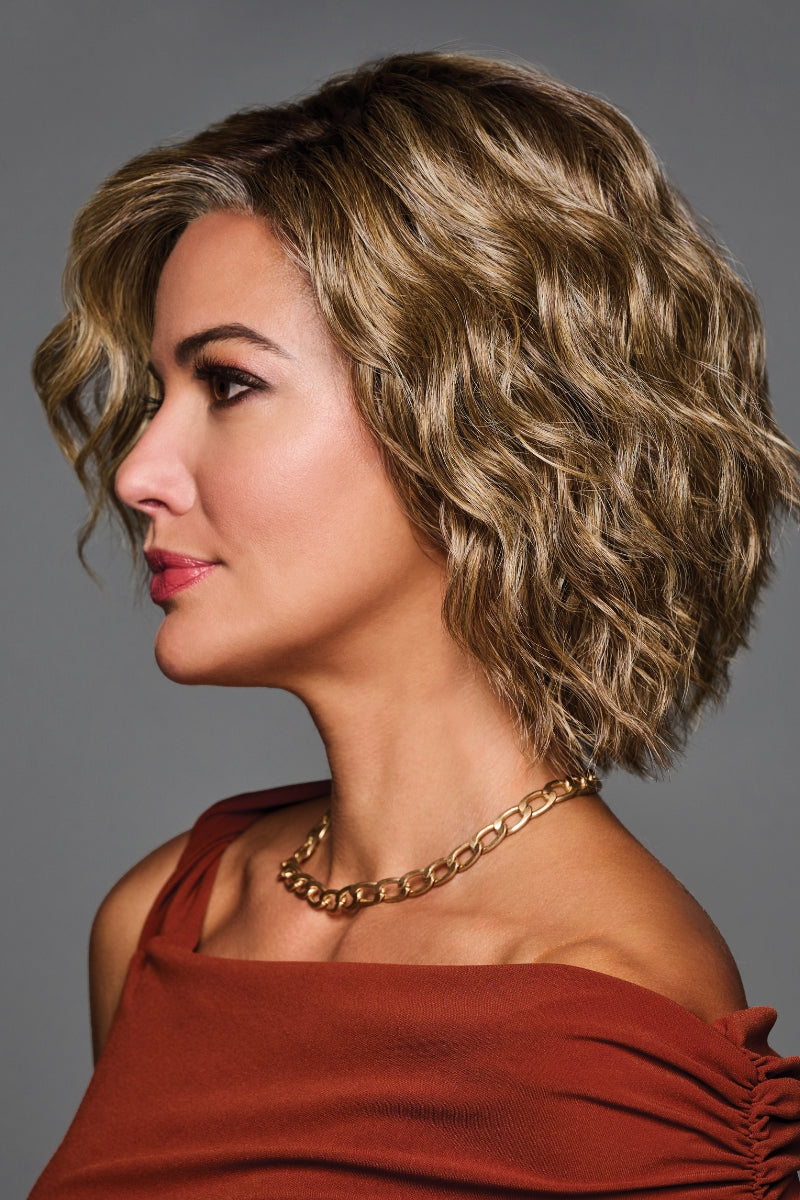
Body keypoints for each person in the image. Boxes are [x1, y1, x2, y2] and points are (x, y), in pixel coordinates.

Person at [29, 51, 800, 1198]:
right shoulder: (163, 920)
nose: (138, 472)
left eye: (228, 384)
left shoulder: (609, 1021)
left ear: (470, 417)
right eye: (154, 396)